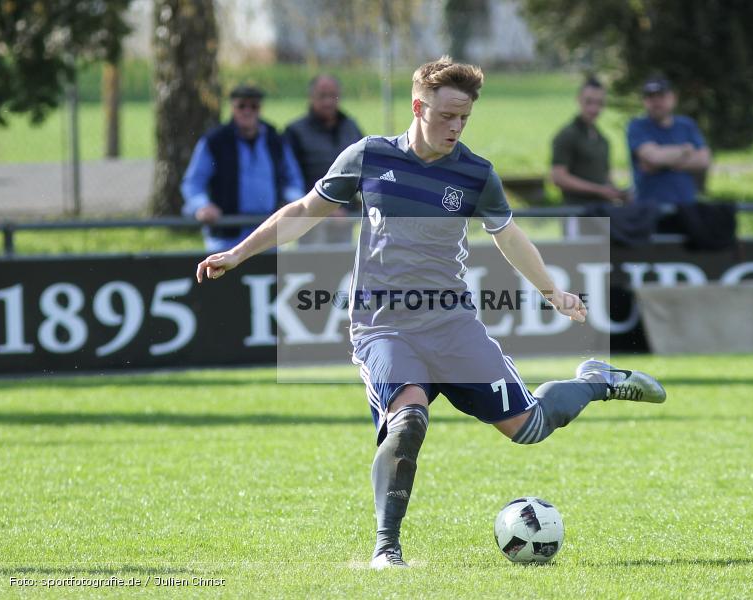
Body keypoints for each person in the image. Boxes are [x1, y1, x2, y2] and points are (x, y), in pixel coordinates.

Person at [194, 57, 667, 570]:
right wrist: (237, 253)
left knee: (529, 428)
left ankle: (596, 381)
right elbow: (305, 211)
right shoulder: (369, 156)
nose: (456, 127)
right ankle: (386, 547)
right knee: (408, 420)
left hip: (451, 324)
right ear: (419, 107)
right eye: (447, 116)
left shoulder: (476, 173)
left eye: (464, 118)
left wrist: (553, 291)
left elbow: (508, 236)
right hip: (383, 326)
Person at [181, 85, 305, 252]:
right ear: (233, 108)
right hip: (226, 233)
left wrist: (291, 202)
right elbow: (193, 182)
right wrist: (202, 206)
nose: (247, 111)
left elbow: (293, 179)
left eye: (253, 106)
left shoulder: (275, 140)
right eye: (242, 106)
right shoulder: (215, 141)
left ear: (260, 109)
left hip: (268, 231)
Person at [285, 75, 364, 245]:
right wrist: (324, 208)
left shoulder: (351, 127)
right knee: (313, 266)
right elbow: (289, 179)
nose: (328, 101)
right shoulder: (295, 132)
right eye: (322, 96)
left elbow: (364, 167)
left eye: (333, 95)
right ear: (311, 96)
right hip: (310, 220)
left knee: (343, 268)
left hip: (345, 221)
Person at [626, 77, 711, 211]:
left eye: (661, 96)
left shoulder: (687, 125)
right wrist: (685, 150)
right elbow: (653, 158)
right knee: (591, 227)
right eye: (651, 97)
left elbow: (704, 160)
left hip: (685, 209)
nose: (656, 101)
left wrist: (661, 163)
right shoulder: (637, 126)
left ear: (673, 98)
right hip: (648, 210)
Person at [551, 77, 626, 207]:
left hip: (601, 211)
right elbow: (558, 177)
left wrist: (615, 191)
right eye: (589, 102)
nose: (594, 109)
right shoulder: (567, 135)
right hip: (577, 211)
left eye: (599, 103)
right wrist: (599, 190)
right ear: (579, 100)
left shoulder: (602, 139)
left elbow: (605, 177)